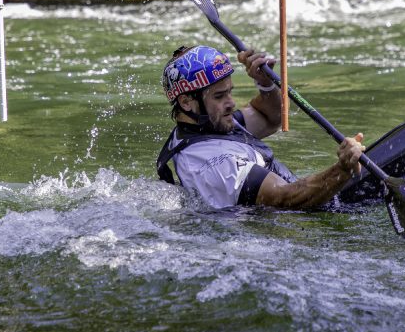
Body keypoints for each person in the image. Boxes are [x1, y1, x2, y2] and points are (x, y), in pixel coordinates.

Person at [156, 44, 365, 209]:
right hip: (307, 223)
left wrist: (266, 84)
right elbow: (284, 199)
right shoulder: (213, 164)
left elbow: (271, 117)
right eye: (220, 96)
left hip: (319, 202)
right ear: (185, 102)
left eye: (229, 92)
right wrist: (343, 169)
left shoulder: (211, 125)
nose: (231, 103)